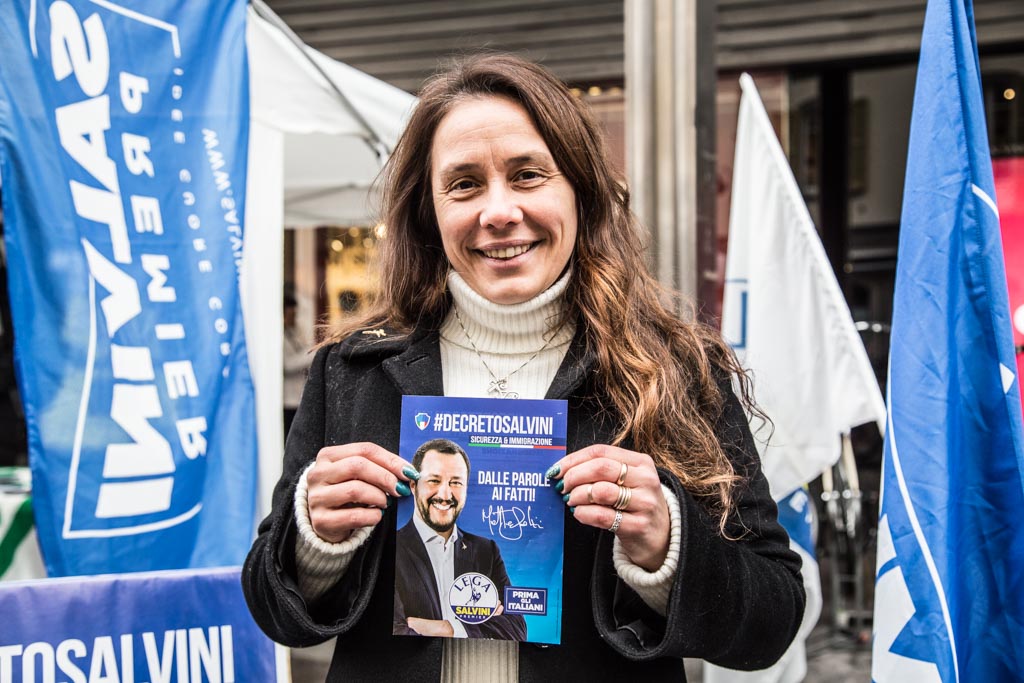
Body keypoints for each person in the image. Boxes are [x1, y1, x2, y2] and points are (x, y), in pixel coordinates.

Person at [242, 54, 805, 682]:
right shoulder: (352, 372)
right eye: (464, 184)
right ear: (429, 210)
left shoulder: (674, 368)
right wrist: (314, 543)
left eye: (528, 175)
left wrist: (667, 543)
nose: (498, 212)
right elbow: (274, 610)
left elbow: (771, 621)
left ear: (581, 191)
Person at [394, 438, 527, 641]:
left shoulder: (486, 551)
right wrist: (484, 627)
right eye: (434, 480)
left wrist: (448, 628)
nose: (445, 494)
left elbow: (517, 630)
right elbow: (395, 629)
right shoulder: (394, 548)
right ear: (413, 485)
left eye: (455, 482)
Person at [282, 292, 311, 438]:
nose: (293, 318)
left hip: (298, 397)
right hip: (288, 400)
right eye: (290, 315)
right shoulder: (277, 337)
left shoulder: (294, 332)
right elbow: (287, 365)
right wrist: (312, 353)